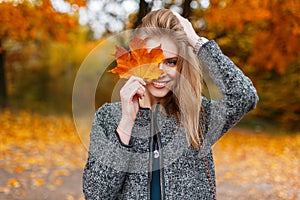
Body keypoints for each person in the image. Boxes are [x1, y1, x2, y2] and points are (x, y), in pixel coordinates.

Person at [83, 9, 258, 200]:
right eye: (153, 60)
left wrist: (197, 42)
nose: (161, 72)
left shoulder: (198, 116)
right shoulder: (109, 117)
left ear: (181, 67)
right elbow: (95, 194)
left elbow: (245, 95)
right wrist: (126, 123)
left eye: (171, 62)